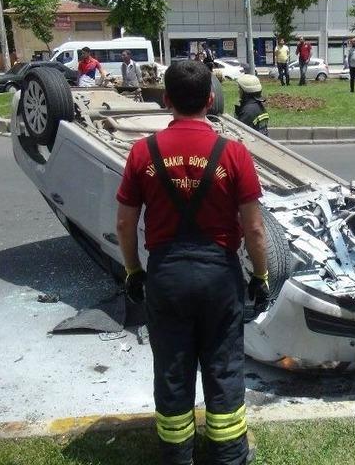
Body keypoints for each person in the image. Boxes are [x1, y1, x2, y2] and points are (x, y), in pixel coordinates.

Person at [116, 60, 270, 465]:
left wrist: (134, 271)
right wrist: (261, 275)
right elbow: (254, 229)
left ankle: (177, 456)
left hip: (166, 276)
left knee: (172, 369)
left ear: (166, 100)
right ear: (210, 100)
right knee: (223, 366)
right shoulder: (233, 154)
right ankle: (229, 455)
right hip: (219, 276)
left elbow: (124, 222)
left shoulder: (141, 153)